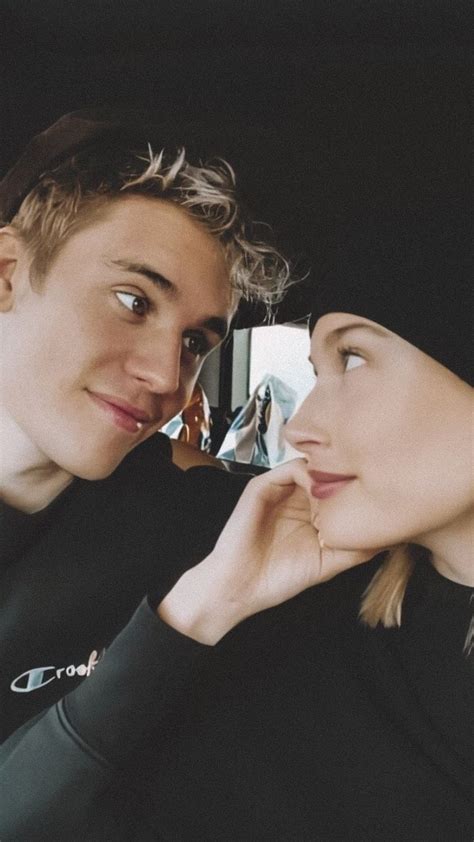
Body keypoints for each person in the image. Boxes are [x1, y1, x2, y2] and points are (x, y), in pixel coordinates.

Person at [1, 201, 471, 840]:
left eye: (353, 360)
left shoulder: (243, 535)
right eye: (133, 302)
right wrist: (200, 608)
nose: (169, 378)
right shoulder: (259, 562)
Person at [0, 109, 289, 822]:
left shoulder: (206, 530)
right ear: (7, 275)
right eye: (134, 302)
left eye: (195, 343)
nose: (168, 377)